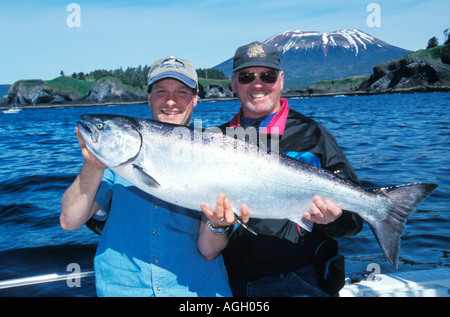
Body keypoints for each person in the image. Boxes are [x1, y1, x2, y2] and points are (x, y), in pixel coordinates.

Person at [60, 56, 239, 297]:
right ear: (149, 97)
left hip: (196, 292)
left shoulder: (215, 156)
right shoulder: (113, 163)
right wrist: (92, 167)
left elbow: (208, 251)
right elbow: (69, 221)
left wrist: (217, 225)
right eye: (161, 91)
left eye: (182, 92)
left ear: (196, 98)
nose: (171, 101)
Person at [198, 42, 364, 297]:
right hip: (228, 284)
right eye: (246, 77)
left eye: (267, 75)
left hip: (298, 280)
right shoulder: (215, 140)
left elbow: (354, 221)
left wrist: (334, 219)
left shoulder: (313, 135)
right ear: (233, 83)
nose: (257, 84)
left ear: (281, 80)